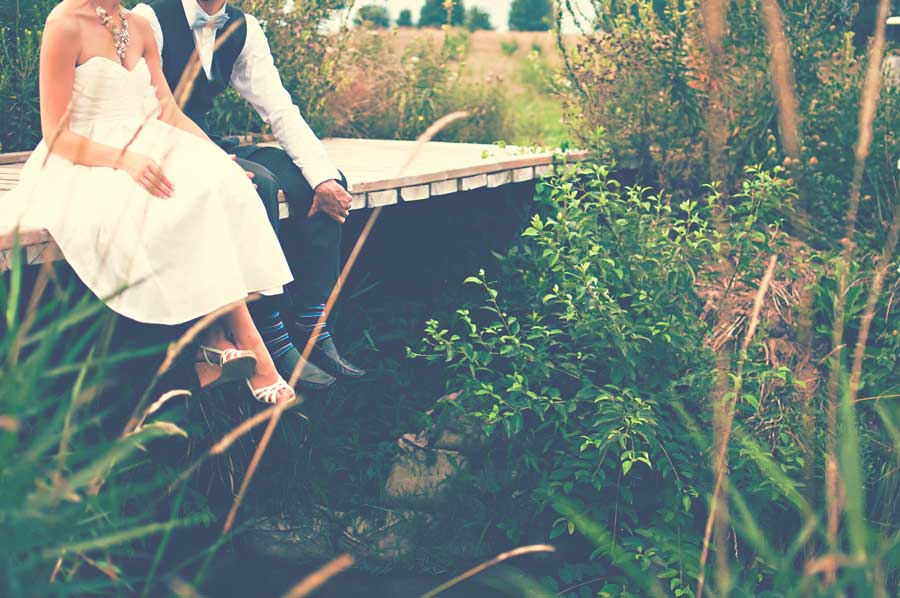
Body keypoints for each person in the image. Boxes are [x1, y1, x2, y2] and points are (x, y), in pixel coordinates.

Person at [0, 0, 296, 404]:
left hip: (149, 139)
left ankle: (216, 342)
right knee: (166, 203)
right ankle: (251, 349)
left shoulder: (139, 25)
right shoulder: (64, 23)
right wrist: (123, 159)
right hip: (87, 155)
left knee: (221, 185)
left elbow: (168, 112)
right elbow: (55, 133)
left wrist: (215, 156)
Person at [131, 0, 367, 390]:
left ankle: (311, 322)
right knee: (258, 186)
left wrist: (323, 177)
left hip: (208, 140)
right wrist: (217, 162)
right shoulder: (151, 16)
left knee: (319, 180)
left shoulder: (243, 27)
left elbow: (279, 108)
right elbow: (146, 106)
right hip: (159, 146)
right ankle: (269, 331)